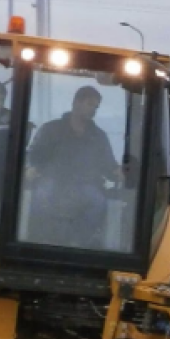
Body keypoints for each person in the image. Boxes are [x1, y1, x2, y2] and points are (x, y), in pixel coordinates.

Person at [25, 85, 120, 248]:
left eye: (96, 107)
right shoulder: (51, 129)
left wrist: (121, 173)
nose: (93, 110)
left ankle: (77, 244)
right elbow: (34, 155)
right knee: (41, 194)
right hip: (53, 181)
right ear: (76, 102)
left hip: (86, 185)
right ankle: (40, 242)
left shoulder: (98, 136)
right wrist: (31, 168)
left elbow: (109, 165)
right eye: (90, 104)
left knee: (98, 201)